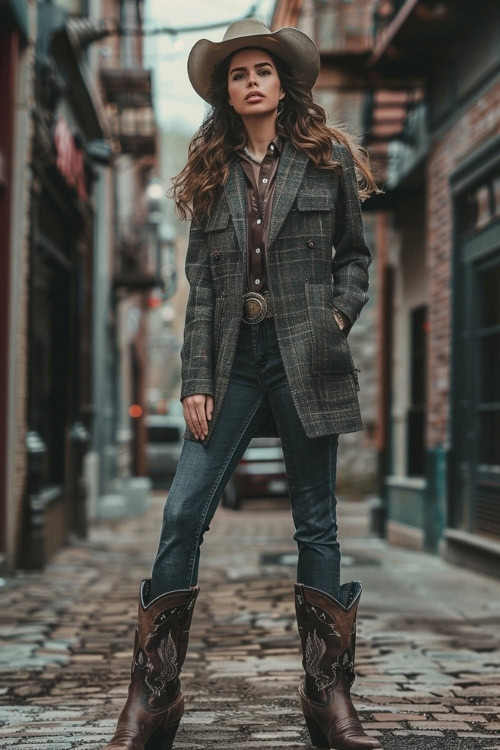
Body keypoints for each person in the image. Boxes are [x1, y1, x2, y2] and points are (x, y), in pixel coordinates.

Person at [100, 17, 382, 750]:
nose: (250, 80)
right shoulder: (211, 172)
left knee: (317, 521)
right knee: (182, 513)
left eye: (261, 69)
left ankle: (328, 700)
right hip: (232, 361)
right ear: (226, 93)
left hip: (305, 356)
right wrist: (194, 377)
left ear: (283, 82)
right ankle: (152, 699)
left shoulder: (328, 162)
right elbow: (201, 288)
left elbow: (356, 259)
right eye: (236, 73)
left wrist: (338, 319)